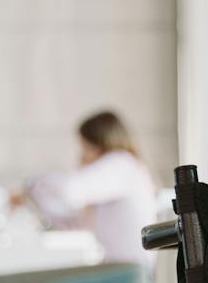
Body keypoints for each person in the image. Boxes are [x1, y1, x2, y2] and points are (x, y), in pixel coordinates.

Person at [19, 109, 158, 264]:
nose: (81, 156)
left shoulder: (121, 164)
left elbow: (70, 190)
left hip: (129, 270)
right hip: (121, 268)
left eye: (85, 147)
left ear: (99, 145)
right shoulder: (120, 175)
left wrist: (31, 186)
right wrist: (33, 201)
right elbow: (74, 223)